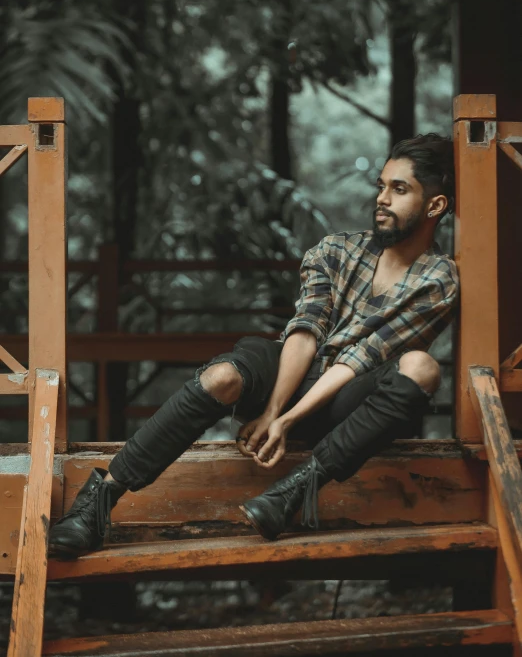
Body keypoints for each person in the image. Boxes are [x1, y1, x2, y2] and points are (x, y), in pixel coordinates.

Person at [48, 133, 458, 558]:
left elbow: (360, 359)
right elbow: (305, 331)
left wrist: (286, 421)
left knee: (421, 367)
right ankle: (98, 502)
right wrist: (272, 411)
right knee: (224, 374)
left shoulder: (437, 280)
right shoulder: (335, 250)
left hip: (349, 404)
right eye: (381, 185)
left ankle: (292, 493)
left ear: (435, 206)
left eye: (399, 189)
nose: (383, 198)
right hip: (293, 371)